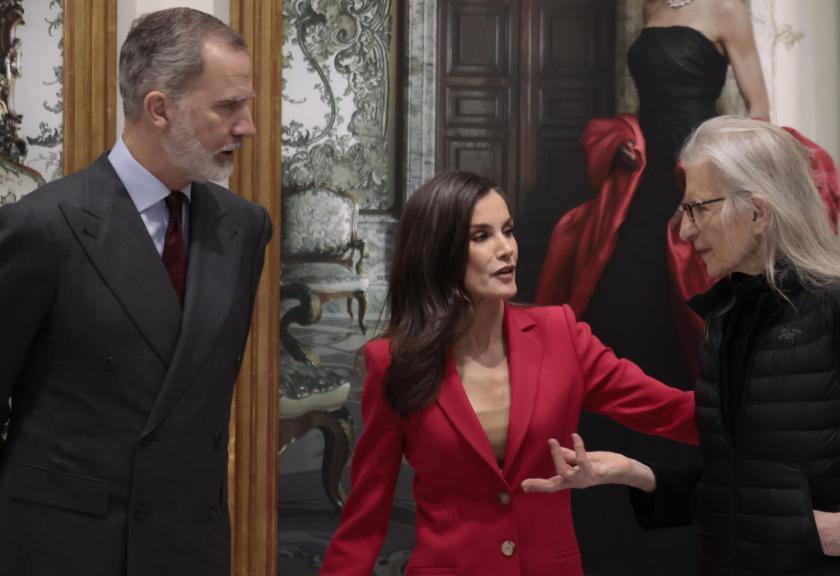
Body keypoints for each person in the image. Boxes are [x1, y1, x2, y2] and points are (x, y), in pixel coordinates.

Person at [524, 117, 840, 575]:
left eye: (697, 209)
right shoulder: (724, 318)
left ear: (756, 211)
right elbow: (738, 487)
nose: (685, 232)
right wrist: (633, 472)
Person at [319, 170, 699, 576]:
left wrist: (767, 409)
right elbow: (365, 518)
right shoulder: (393, 362)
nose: (507, 250)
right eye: (481, 236)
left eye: (508, 231)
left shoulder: (561, 334)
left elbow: (672, 412)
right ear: (438, 251)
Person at [0, 8, 270, 576]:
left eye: (247, 105)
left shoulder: (244, 227)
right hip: (68, 548)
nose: (248, 126)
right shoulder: (44, 226)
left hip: (191, 546)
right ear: (159, 109)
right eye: (228, 107)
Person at [534, 1, 772, 573]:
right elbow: (648, 102)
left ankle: (686, 492)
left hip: (696, 172)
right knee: (617, 314)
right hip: (640, 179)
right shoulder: (649, 6)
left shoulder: (726, 8)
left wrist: (721, 178)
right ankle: (603, 493)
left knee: (686, 326)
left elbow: (758, 107)